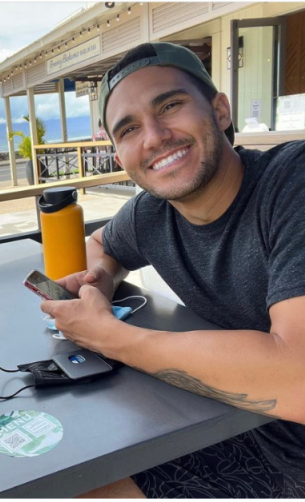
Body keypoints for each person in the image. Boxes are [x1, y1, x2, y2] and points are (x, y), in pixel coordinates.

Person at [40, 42, 305, 498]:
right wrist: (98, 282)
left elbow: (298, 377)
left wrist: (111, 337)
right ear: (118, 153)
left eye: (170, 105)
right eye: (128, 129)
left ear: (220, 110)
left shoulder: (291, 184)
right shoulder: (151, 215)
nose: (154, 136)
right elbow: (102, 244)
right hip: (225, 427)